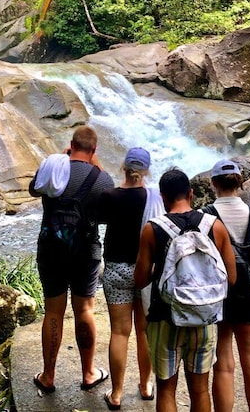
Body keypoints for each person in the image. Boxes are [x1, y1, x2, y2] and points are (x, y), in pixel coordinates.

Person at [134, 168, 237, 412]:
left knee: (166, 389)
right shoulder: (215, 226)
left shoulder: (153, 229)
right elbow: (231, 278)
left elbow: (140, 280)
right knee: (200, 389)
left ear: (162, 197)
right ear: (191, 194)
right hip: (204, 318)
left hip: (165, 319)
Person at [29, 126, 115, 394]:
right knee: (85, 310)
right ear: (94, 150)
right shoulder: (102, 179)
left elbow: (33, 190)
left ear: (71, 145)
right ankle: (89, 373)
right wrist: (97, 167)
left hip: (51, 249)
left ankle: (49, 376)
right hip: (86, 252)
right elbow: (107, 216)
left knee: (53, 311)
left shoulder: (53, 169)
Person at [99, 147, 164, 410]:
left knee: (119, 331)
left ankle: (116, 394)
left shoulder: (109, 195)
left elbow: (99, 220)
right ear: (146, 170)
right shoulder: (154, 196)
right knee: (145, 331)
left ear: (123, 167)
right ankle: (146, 385)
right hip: (145, 270)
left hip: (116, 269)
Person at [204, 160, 250, 412]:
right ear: (240, 182)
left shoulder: (206, 215)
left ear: (213, 183)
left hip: (220, 294)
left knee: (222, 363)